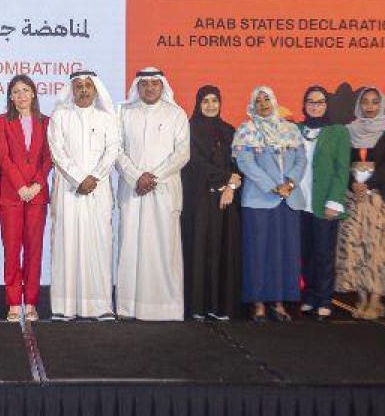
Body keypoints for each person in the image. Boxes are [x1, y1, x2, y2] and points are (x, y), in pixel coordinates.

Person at [112, 68, 191, 322]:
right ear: (137, 86)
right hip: (133, 189)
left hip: (164, 190)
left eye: (154, 84)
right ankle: (128, 307)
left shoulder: (176, 114)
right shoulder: (123, 112)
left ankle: (165, 307)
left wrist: (153, 176)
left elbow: (182, 154)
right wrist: (137, 176)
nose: (149, 88)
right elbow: (116, 149)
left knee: (163, 248)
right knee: (130, 245)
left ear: (162, 86)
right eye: (144, 84)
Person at [48, 71, 121, 320]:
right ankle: (64, 308)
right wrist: (79, 178)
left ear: (96, 89)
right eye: (78, 86)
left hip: (97, 190)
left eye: (88, 85)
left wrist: (95, 176)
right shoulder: (60, 116)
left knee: (99, 244)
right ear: (72, 89)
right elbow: (56, 150)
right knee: (66, 244)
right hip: (68, 190)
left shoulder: (107, 118)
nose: (83, 90)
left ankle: (100, 307)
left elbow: (112, 150)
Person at [232, 86, 306, 322]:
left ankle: (280, 302)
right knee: (258, 252)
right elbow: (246, 163)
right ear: (252, 105)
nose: (263, 103)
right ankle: (259, 304)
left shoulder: (290, 129)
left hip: (289, 200)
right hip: (259, 200)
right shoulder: (246, 130)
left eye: (267, 99)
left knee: (285, 252)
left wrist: (290, 184)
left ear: (274, 102)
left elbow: (301, 160)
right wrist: (274, 186)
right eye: (258, 100)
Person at [336, 87, 385, 320]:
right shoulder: (349, 131)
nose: (370, 106)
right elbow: (342, 162)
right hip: (355, 198)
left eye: (375, 102)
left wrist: (369, 183)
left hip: (381, 198)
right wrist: (351, 183)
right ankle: (361, 298)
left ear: (382, 104)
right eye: (365, 102)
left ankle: (376, 301)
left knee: (378, 250)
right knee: (357, 249)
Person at [181, 85, 241, 320]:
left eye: (214, 100)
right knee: (200, 250)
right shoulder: (188, 130)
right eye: (205, 101)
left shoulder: (229, 131)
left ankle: (221, 306)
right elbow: (193, 163)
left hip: (226, 201)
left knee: (223, 250)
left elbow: (238, 164)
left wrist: (231, 186)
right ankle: (198, 306)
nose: (210, 105)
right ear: (197, 103)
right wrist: (225, 179)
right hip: (200, 200)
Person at [0, 74, 50, 321]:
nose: (21, 96)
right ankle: (14, 302)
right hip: (11, 195)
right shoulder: (2, 121)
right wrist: (20, 187)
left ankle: (32, 302)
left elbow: (49, 157)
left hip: (37, 195)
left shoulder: (46, 122)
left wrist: (37, 184)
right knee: (12, 249)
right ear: (10, 96)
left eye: (25, 90)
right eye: (15, 92)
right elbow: (3, 158)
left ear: (34, 94)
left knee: (34, 250)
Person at [295, 84, 349, 320]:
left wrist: (334, 201)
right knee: (305, 253)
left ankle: (325, 298)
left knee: (325, 254)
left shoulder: (338, 131)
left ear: (327, 105)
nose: (315, 106)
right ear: (304, 105)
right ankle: (309, 295)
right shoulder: (295, 129)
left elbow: (342, 169)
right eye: (311, 102)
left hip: (324, 202)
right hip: (299, 202)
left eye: (320, 102)